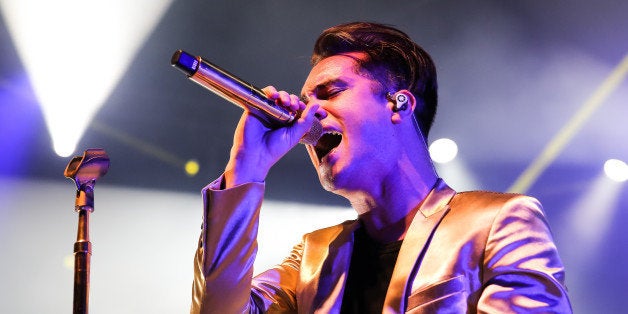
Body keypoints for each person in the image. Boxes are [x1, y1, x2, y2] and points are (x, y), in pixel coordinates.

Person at [190, 22, 572, 313]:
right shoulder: (310, 257)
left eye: (330, 92)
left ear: (399, 105)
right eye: (306, 102)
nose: (309, 116)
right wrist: (246, 168)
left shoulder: (499, 223)